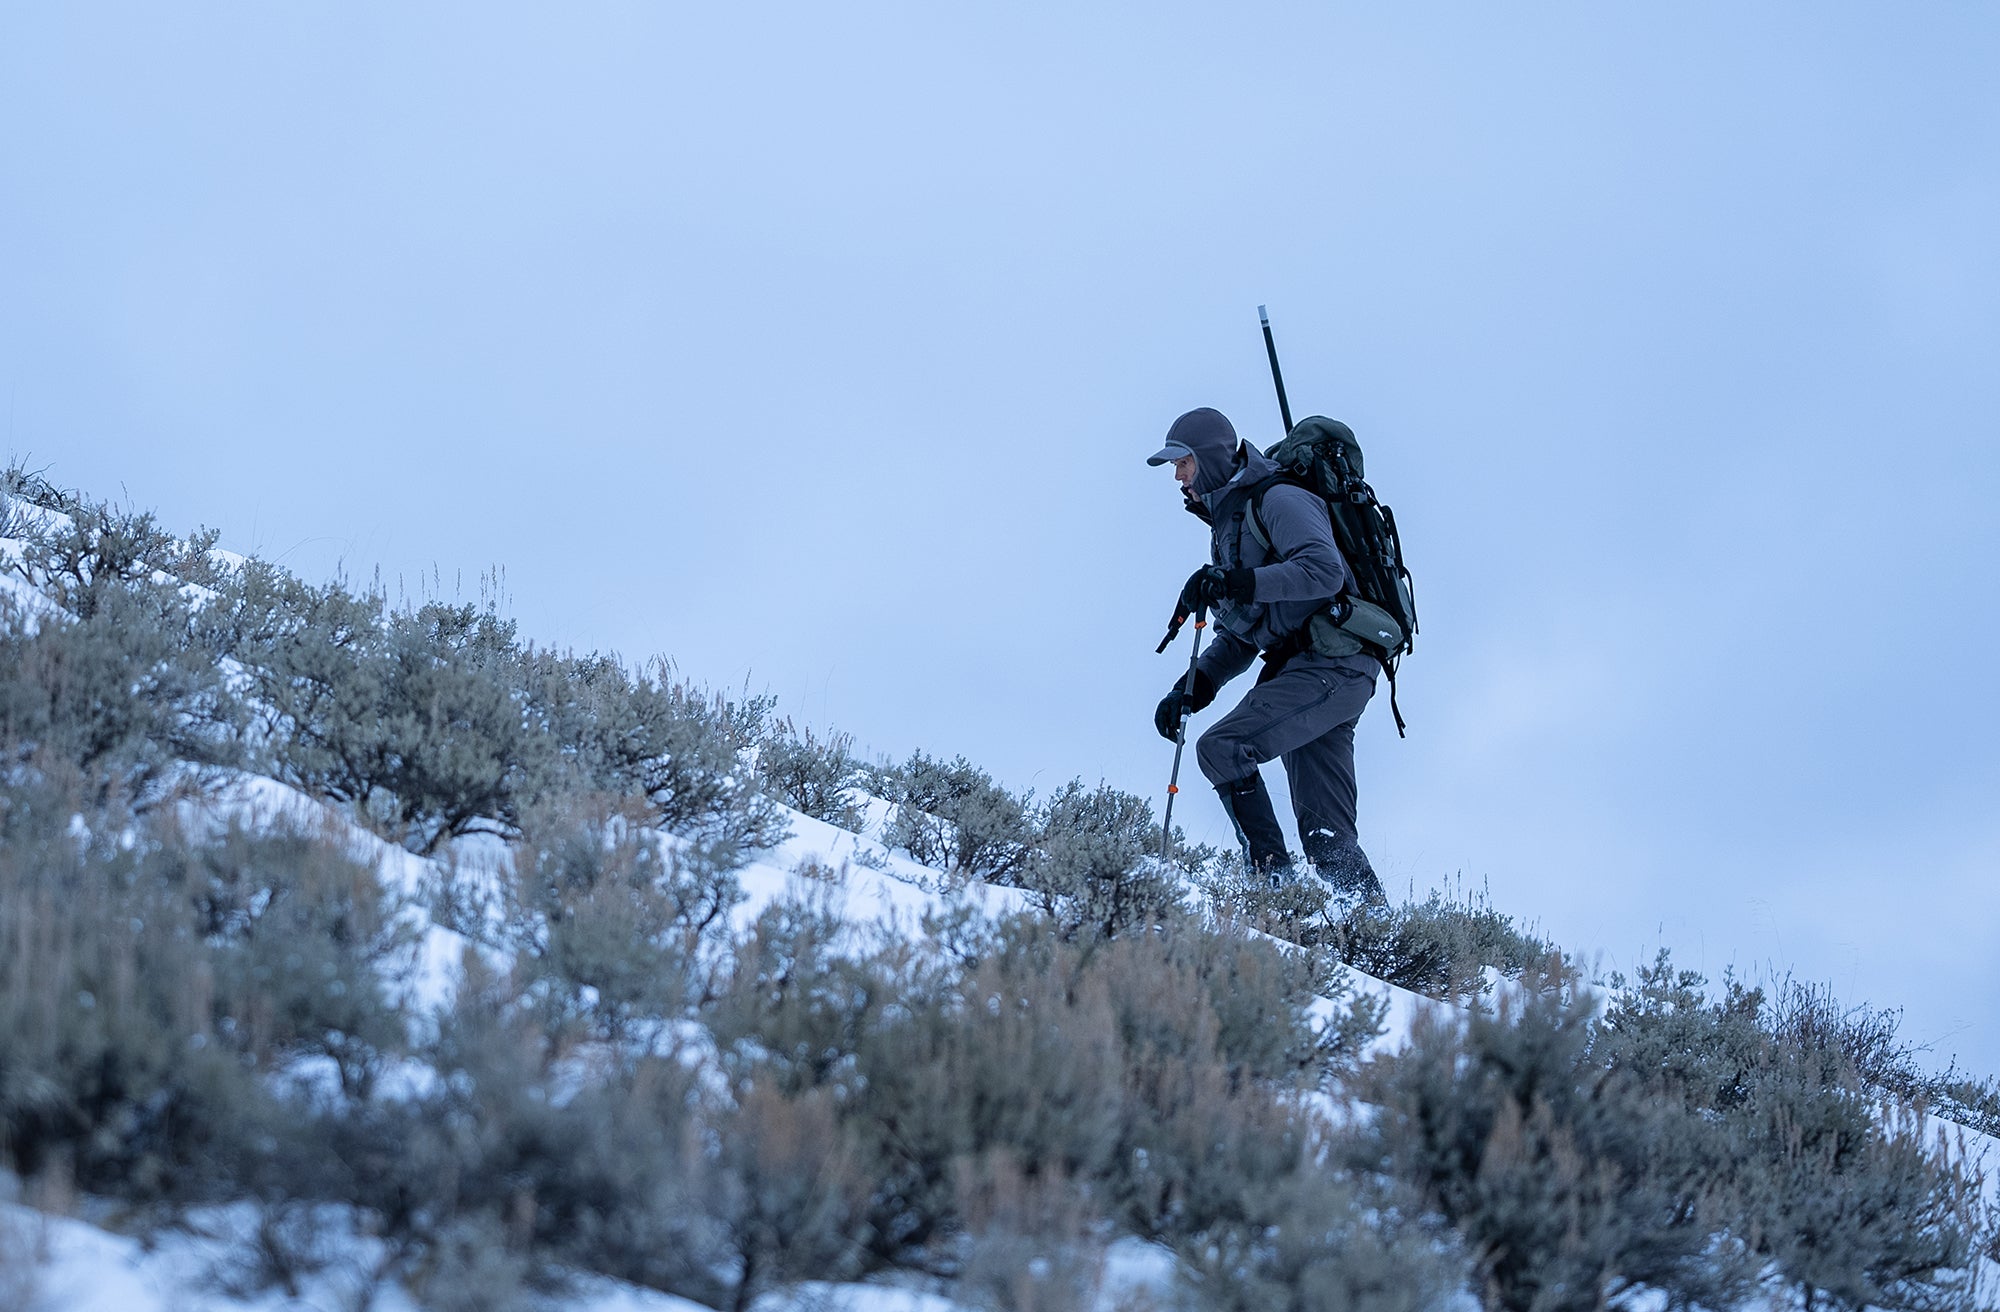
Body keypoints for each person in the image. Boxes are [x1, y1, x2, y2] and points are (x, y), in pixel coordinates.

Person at [1148, 406, 1386, 904]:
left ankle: (1275, 897)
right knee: (1329, 842)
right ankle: (1377, 939)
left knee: (1223, 748)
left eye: (1183, 463)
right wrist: (1195, 685)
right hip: (1307, 668)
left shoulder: (1278, 499)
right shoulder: (1229, 525)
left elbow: (1325, 573)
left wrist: (1237, 580)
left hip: (1334, 662)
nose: (1177, 476)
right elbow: (1242, 634)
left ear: (1210, 460)